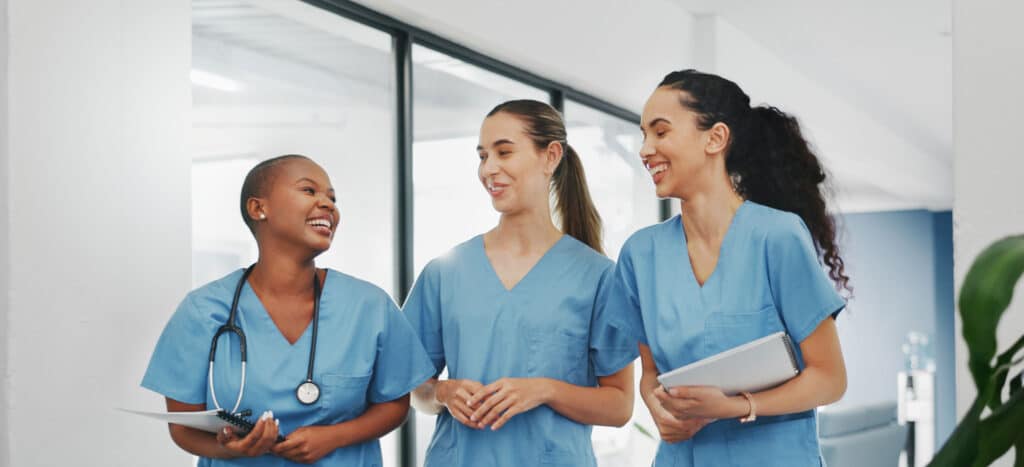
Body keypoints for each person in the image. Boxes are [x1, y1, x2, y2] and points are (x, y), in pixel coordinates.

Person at [615, 70, 850, 466]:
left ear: (715, 138)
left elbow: (830, 378)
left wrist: (739, 405)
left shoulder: (777, 237)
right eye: (643, 135)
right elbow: (651, 374)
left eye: (661, 132)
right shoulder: (641, 255)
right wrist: (658, 409)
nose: (645, 149)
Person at [142, 155, 436, 466]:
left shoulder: (370, 306)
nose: (328, 204)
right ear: (259, 208)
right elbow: (183, 426)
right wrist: (231, 449)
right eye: (309, 191)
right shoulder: (203, 310)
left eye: (332, 197)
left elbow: (394, 405)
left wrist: (333, 437)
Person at [403, 99, 641, 466]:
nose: (489, 169)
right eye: (482, 156)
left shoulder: (597, 277)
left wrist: (545, 390)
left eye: (504, 152)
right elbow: (416, 389)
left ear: (551, 157)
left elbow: (619, 405)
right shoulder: (446, 271)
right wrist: (443, 392)